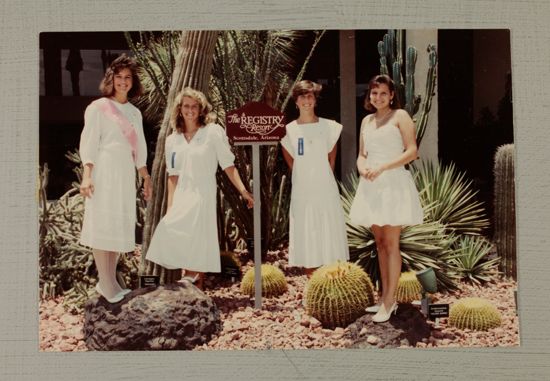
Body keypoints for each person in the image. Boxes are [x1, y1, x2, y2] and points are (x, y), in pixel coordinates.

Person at [145, 87, 254, 290]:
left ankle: (194, 283)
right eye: (186, 106)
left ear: (201, 110)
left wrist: (242, 190)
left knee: (197, 236)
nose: (190, 110)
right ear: (179, 109)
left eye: (194, 106)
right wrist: (170, 207)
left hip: (202, 191)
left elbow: (228, 165)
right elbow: (173, 176)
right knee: (173, 232)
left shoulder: (212, 132)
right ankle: (190, 282)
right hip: (182, 194)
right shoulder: (172, 140)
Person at [349, 74, 423, 323]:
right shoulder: (367, 121)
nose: (378, 97)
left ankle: (390, 301)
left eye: (383, 93)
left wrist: (382, 167)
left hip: (393, 184)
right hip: (371, 185)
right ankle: (383, 296)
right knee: (379, 243)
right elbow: (361, 154)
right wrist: (362, 168)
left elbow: (412, 152)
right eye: (373, 93)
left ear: (392, 95)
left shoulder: (400, 116)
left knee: (392, 243)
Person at [79, 54, 152, 303]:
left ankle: (109, 282)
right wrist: (87, 176)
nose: (123, 82)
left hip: (124, 174)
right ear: (111, 79)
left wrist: (145, 176)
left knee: (116, 226)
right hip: (104, 171)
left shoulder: (133, 112)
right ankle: (105, 282)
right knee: (103, 225)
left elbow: (139, 148)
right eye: (119, 77)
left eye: (127, 78)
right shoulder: (98, 108)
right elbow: (89, 144)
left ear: (133, 82)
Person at [280, 80, 349, 278]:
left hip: (325, 188)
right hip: (303, 190)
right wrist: (306, 177)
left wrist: (320, 178)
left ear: (315, 99)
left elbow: (331, 159)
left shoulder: (329, 127)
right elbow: (292, 161)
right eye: (302, 96)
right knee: (307, 232)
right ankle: (313, 283)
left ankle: (334, 280)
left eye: (310, 96)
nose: (306, 100)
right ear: (296, 101)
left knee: (328, 230)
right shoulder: (289, 131)